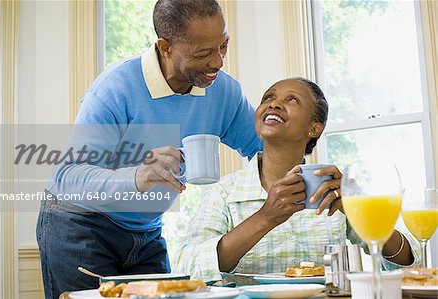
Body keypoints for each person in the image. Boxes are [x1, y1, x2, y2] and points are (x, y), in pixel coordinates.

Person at [36, 0, 262, 298]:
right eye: (203, 53)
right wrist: (137, 176)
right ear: (165, 47)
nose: (218, 61)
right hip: (80, 224)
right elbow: (68, 178)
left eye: (223, 45)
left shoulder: (224, 92)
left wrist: (313, 183)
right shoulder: (115, 89)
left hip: (147, 231)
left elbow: (266, 150)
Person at [173, 77, 419, 282]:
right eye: (268, 98)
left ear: (314, 128)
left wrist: (357, 210)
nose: (274, 104)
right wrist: (265, 218)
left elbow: (409, 259)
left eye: (291, 100)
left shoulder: (334, 188)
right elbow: (187, 267)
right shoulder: (224, 193)